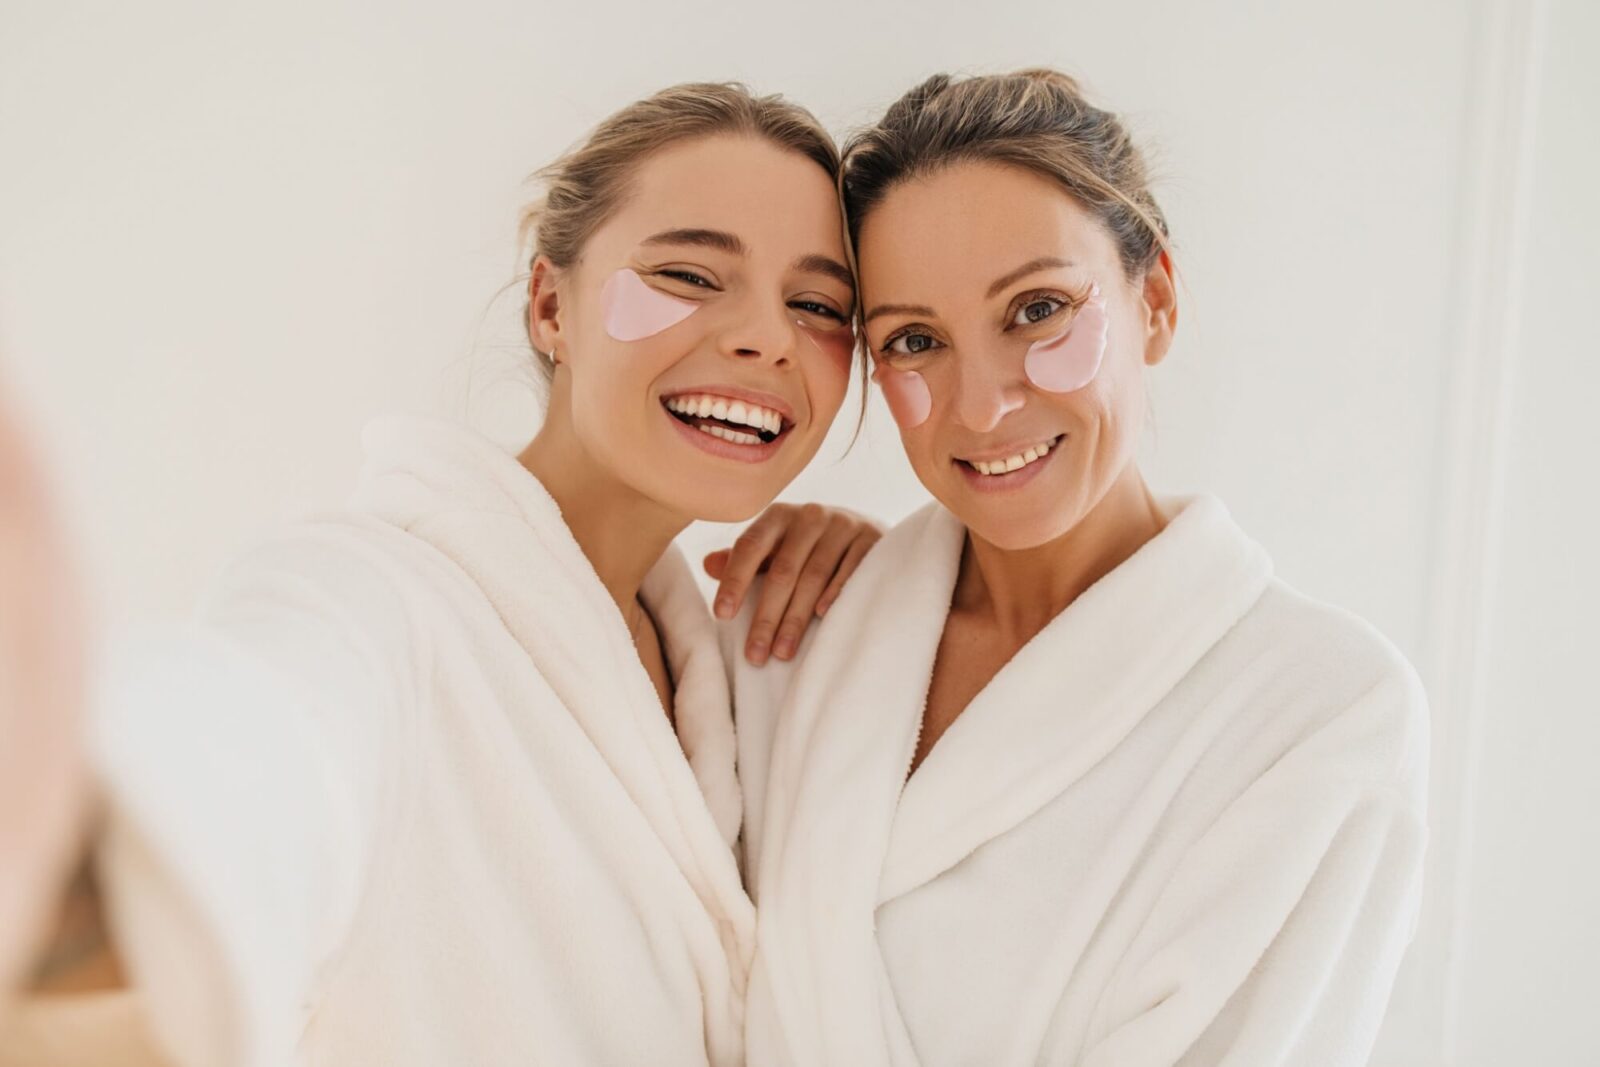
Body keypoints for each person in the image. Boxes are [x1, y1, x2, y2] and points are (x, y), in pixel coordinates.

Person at [0, 81, 878, 1067]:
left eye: (817, 304)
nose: (766, 334)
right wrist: (78, 841)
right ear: (551, 304)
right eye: (687, 274)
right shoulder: (372, 594)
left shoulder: (737, 660)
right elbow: (264, 744)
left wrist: (904, 584)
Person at [717, 69, 1429, 1066]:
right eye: (915, 340)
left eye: (1035, 309)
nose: (980, 405)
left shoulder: (1320, 710)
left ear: (1157, 302)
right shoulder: (794, 638)